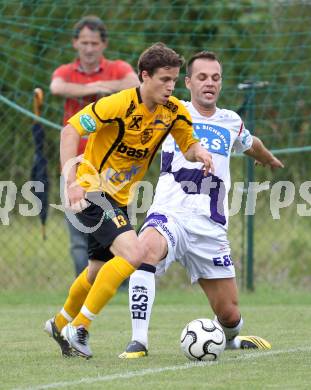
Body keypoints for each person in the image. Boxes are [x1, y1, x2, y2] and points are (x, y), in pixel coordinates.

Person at [44, 43, 215, 359]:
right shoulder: (117, 104)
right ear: (144, 76)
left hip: (118, 198)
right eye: (164, 79)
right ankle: (79, 327)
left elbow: (188, 144)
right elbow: (70, 131)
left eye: (174, 80)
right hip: (91, 189)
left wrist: (199, 152)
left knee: (98, 270)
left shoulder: (173, 111)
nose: (170, 87)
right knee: (134, 253)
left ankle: (59, 323)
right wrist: (71, 181)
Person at [118, 51, 284, 359]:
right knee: (145, 251)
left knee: (230, 315)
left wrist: (268, 158)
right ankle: (138, 342)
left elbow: (252, 143)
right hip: (170, 213)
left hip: (210, 228)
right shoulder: (171, 109)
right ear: (189, 82)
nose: (210, 83)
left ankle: (231, 340)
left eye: (216, 78)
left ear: (221, 83)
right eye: (203, 77)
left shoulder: (230, 121)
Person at [50, 15, 140, 276]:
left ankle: (118, 290)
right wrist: (94, 87)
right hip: (75, 167)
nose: (89, 48)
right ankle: (85, 287)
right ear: (75, 43)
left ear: (103, 45)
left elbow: (134, 84)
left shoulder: (118, 67)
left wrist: (103, 86)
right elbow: (57, 87)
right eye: (84, 42)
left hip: (112, 168)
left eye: (94, 43)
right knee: (79, 239)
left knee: (119, 232)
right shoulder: (66, 72)